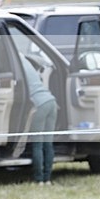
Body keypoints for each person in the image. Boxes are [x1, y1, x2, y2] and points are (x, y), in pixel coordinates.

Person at [20, 54, 57, 185]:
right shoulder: (26, 63)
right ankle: (47, 178)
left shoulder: (16, 65)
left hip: (39, 104)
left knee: (37, 144)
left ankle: (39, 179)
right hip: (51, 101)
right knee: (48, 144)